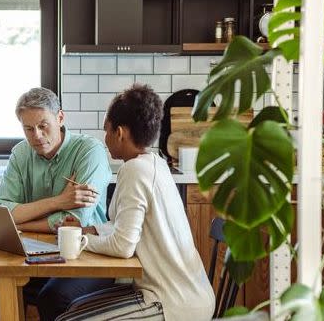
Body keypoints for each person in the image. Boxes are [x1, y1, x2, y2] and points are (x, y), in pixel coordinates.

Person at [0, 87, 114, 321]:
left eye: (43, 126)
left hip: (86, 254)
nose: (36, 135)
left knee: (49, 300)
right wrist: (59, 201)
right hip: (31, 254)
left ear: (60, 118)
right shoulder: (21, 153)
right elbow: (0, 212)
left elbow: (74, 223)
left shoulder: (89, 151)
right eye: (28, 128)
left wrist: (20, 222)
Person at [54, 84, 215, 321]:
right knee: (72, 309)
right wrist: (87, 229)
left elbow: (123, 246)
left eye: (106, 130)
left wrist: (81, 240)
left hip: (172, 300)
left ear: (120, 133)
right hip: (177, 292)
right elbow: (127, 226)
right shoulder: (154, 163)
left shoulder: (135, 170)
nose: (105, 138)